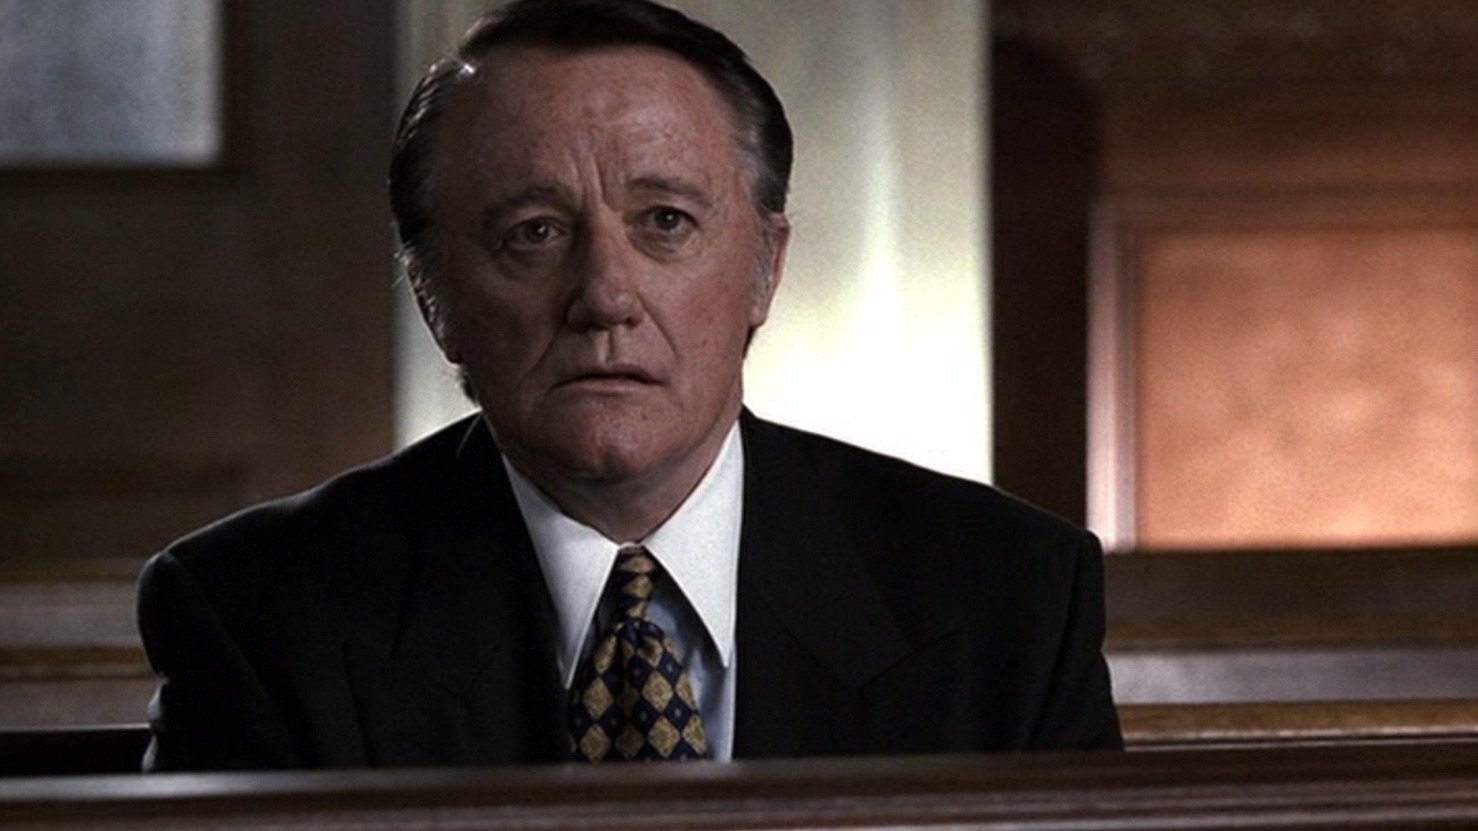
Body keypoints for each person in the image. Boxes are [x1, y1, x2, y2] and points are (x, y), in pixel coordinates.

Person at [137, 0, 1121, 771]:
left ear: (766, 269)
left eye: (664, 223)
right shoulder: (257, 615)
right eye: (533, 232)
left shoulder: (1007, 598)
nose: (604, 297)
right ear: (434, 297)